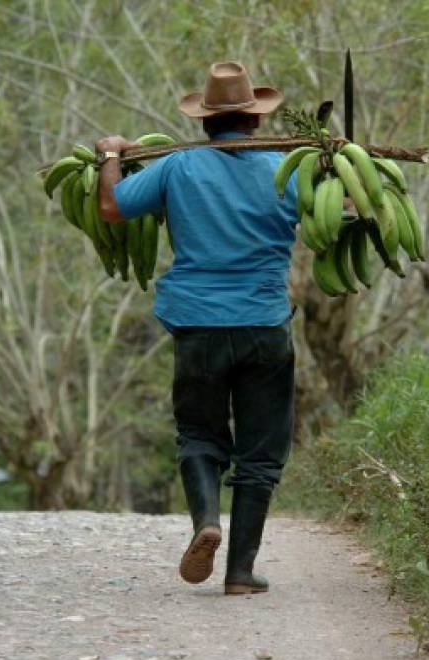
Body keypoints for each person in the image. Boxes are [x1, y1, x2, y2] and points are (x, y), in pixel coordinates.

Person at [95, 62, 298, 595]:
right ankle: (238, 573)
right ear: (254, 122)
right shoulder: (287, 169)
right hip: (264, 325)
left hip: (197, 324)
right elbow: (343, 213)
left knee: (199, 436)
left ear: (206, 122)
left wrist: (113, 155)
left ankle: (206, 520)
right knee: (259, 453)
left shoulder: (178, 166)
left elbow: (112, 207)